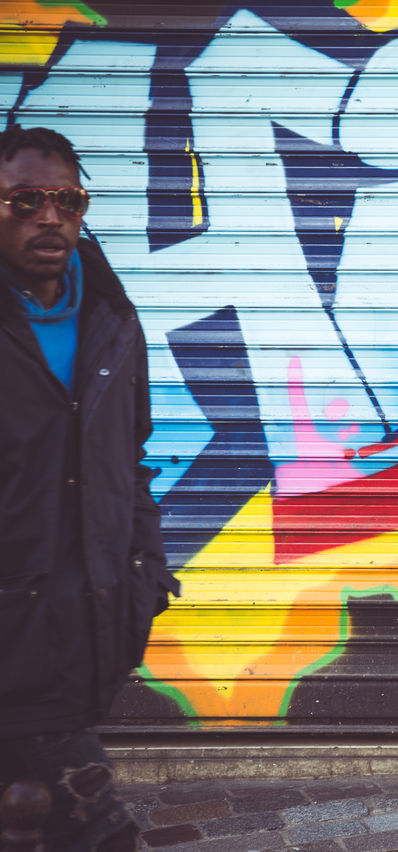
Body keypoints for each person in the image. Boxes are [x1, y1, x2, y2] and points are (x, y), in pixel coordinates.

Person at [0, 126, 178, 850]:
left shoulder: (111, 317)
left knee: (30, 811)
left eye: (68, 201)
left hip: (79, 624)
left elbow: (130, 455)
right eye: (26, 201)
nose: (50, 217)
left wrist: (143, 571)